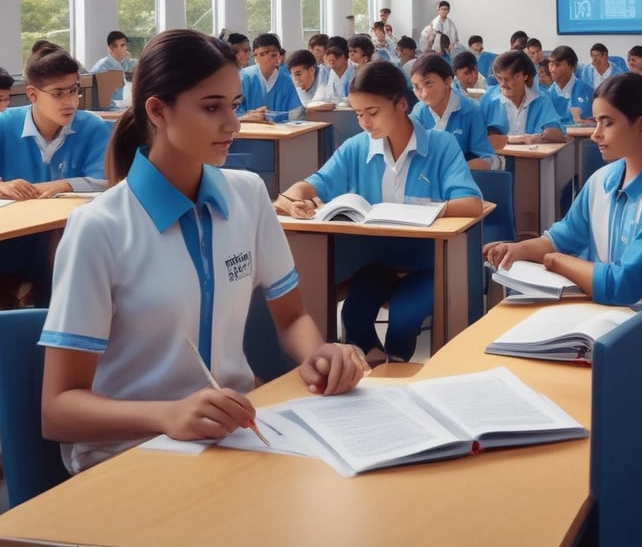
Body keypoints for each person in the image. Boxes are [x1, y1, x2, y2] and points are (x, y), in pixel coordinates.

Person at [40, 29, 367, 475]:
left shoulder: (248, 196)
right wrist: (167, 415)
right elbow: (58, 410)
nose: (232, 124)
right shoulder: (100, 227)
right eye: (212, 108)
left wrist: (319, 354)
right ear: (157, 110)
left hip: (234, 436)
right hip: (130, 456)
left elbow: (291, 318)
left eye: (233, 105)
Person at [274, 62, 482, 364]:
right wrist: (293, 200)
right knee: (353, 313)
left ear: (401, 104)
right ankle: (372, 368)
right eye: (358, 114)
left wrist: (411, 210)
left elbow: (470, 203)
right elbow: (309, 185)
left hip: (428, 263)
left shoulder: (441, 144)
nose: (364, 123)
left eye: (372, 113)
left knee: (403, 320)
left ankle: (396, 371)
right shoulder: (356, 147)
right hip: (377, 263)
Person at [483, 73, 642, 304]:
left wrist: (556, 261)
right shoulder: (603, 179)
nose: (596, 134)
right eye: (596, 122)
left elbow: (623, 285)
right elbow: (560, 238)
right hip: (614, 316)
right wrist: (517, 250)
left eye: (608, 122)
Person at [0, 44, 112, 302]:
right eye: (58, 93)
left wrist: (62, 185)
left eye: (74, 91)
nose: (70, 102)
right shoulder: (5, 124)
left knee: (58, 240)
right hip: (11, 241)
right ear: (32, 94)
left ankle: (57, 306)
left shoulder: (92, 126)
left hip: (67, 239)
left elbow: (107, 180)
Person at [410, 53, 498, 170]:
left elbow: (489, 159)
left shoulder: (469, 111)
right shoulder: (418, 112)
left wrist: (457, 169)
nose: (424, 93)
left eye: (428, 83)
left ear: (448, 81)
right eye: (417, 87)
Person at [479, 50, 565, 145]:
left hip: (532, 157)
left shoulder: (541, 99)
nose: (502, 84)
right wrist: (508, 140)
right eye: (499, 78)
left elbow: (558, 135)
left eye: (507, 79)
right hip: (498, 157)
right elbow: (478, 137)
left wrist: (541, 137)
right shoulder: (489, 99)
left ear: (523, 76)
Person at [239, 33, 302, 121]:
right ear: (256, 56)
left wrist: (273, 116)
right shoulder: (245, 77)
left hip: (280, 131)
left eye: (274, 54)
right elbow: (232, 112)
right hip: (249, 130)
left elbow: (296, 112)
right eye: (264, 54)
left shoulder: (286, 79)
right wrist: (248, 116)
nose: (271, 58)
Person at [547, 45, 594, 126]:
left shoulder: (586, 92)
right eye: (551, 65)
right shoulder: (547, 94)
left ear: (572, 68)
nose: (552, 70)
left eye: (557, 65)